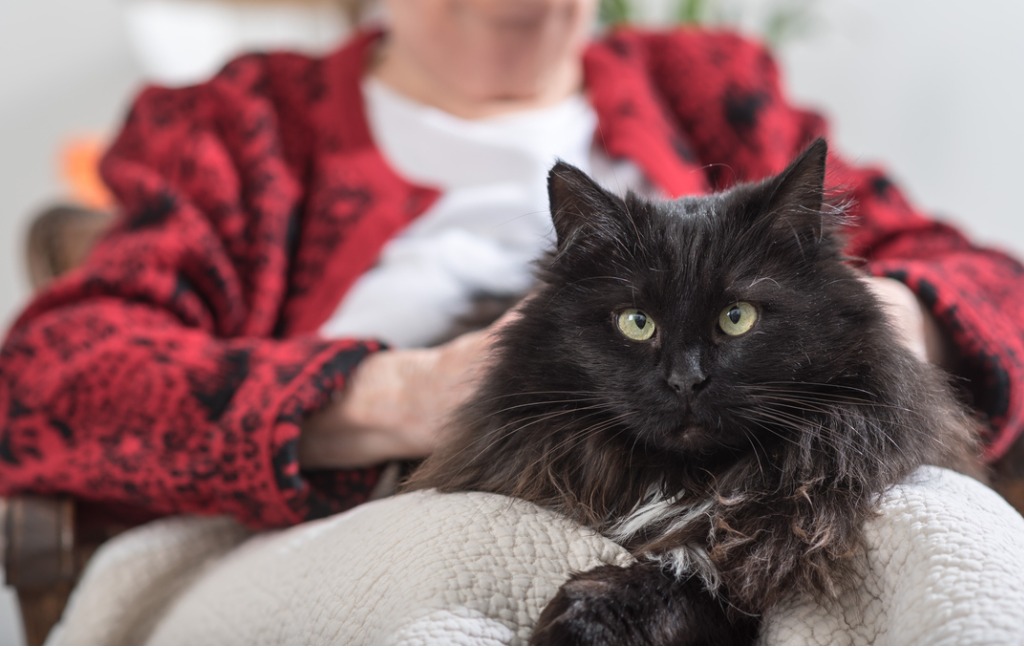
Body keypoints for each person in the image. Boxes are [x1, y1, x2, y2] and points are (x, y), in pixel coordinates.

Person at [1, 0, 1022, 529]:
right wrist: (400, 393)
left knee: (941, 544)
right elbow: (49, 378)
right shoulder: (245, 123)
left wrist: (877, 313)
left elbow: (994, 290)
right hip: (399, 522)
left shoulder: (706, 86)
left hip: (757, 504)